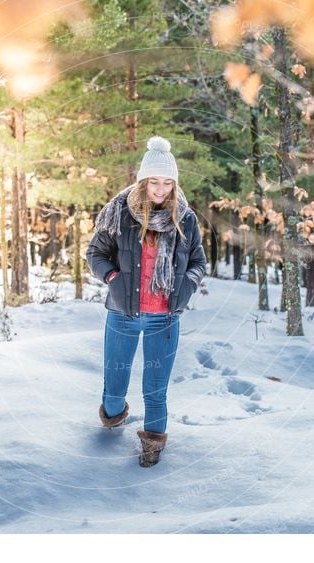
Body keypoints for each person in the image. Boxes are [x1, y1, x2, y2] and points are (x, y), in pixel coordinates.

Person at [86, 136, 207, 467]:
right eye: (154, 181)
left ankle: (153, 446)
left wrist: (186, 288)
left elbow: (199, 262)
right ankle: (113, 419)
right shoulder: (120, 214)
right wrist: (113, 278)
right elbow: (95, 253)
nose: (160, 189)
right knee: (114, 389)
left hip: (164, 318)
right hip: (123, 314)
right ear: (143, 180)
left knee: (155, 390)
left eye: (167, 182)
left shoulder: (185, 219)